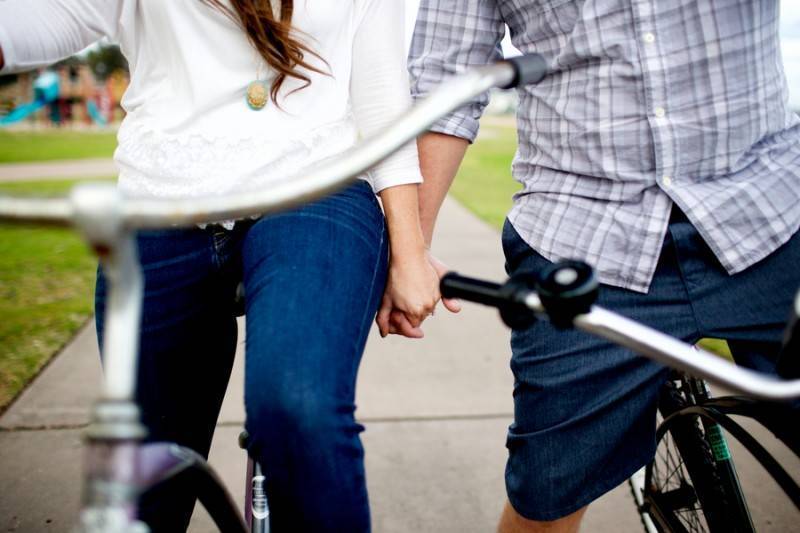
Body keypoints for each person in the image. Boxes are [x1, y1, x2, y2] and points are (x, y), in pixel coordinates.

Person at [0, 0, 439, 531]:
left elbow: (381, 97)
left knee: (297, 408)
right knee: (145, 477)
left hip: (317, 187)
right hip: (163, 194)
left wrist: (410, 254)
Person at [405, 1, 800, 531]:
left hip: (768, 208)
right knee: (544, 496)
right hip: (581, 233)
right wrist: (412, 249)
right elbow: (445, 81)